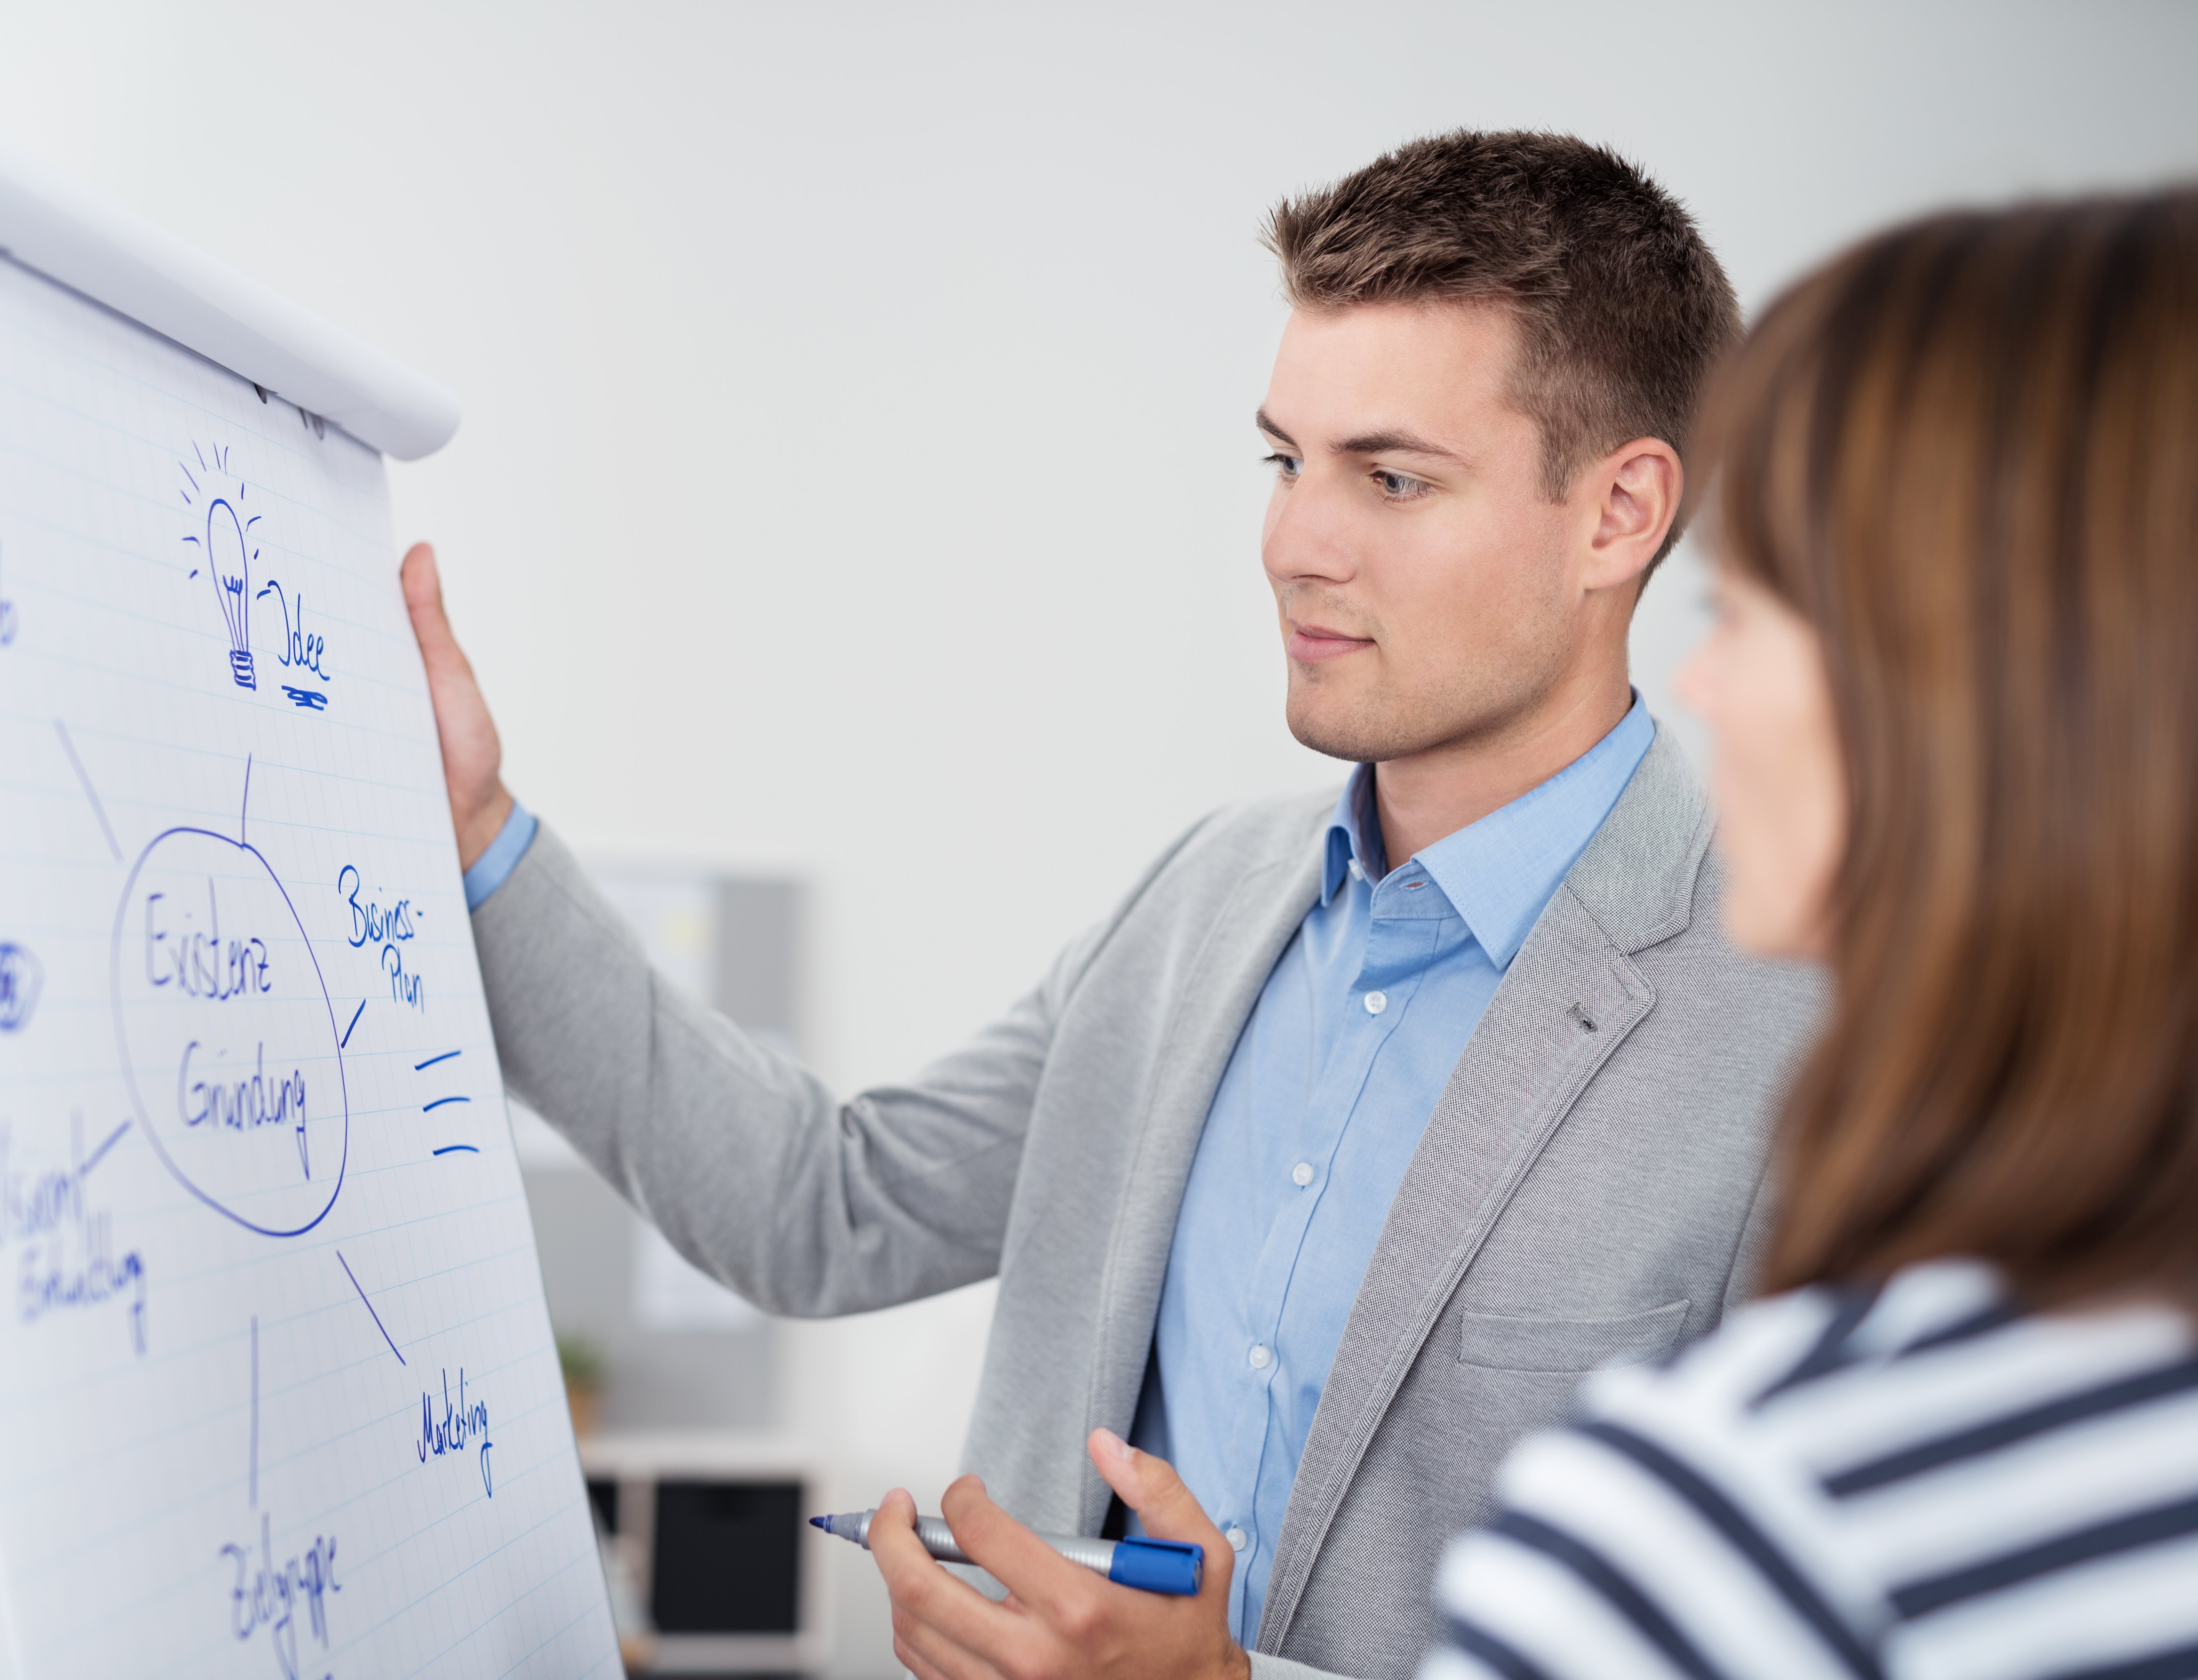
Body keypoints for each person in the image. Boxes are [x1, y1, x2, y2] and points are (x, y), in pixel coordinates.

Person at [405, 131, 1825, 1679]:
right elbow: (824, 1207)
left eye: (1393, 479)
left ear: (1620, 514)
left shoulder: (1804, 1031)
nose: (1295, 545)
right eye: (1287, 461)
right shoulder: (1206, 901)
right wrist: (476, 829)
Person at [1423, 187, 2198, 1678]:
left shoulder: (1748, 1526)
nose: (1700, 690)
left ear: (1981, 688)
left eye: (1747, 607)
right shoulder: (1206, 900)